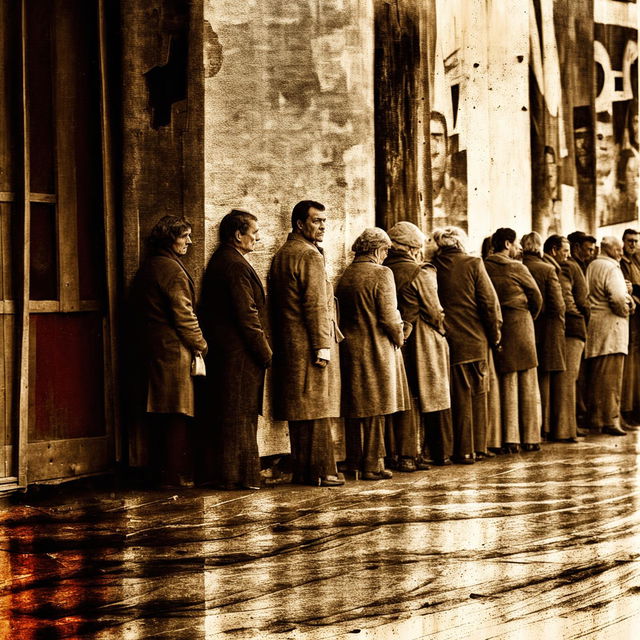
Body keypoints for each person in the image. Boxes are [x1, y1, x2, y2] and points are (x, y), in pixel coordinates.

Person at [269, 200, 345, 487]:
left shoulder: (283, 253)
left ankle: (305, 470)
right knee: (317, 408)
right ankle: (321, 471)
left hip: (290, 342)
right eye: (316, 221)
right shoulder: (309, 255)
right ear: (300, 224)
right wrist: (322, 345)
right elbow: (315, 305)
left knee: (303, 409)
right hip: (310, 342)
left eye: (324, 221)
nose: (322, 226)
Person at [198, 210, 272, 490]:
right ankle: (243, 477)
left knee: (234, 413)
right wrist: (264, 351)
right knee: (240, 414)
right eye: (253, 232)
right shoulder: (234, 265)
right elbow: (247, 315)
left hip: (230, 353)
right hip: (239, 355)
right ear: (238, 235)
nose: (257, 237)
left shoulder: (225, 260)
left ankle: (236, 475)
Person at [132, 215, 207, 486]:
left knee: (161, 412)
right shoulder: (171, 270)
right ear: (168, 239)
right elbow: (184, 315)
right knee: (178, 411)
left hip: (155, 348)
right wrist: (200, 343)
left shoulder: (151, 265)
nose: (189, 241)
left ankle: (161, 473)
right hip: (173, 350)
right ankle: (174, 475)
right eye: (183, 236)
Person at [336, 228, 410, 480]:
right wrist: (400, 337)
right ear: (378, 249)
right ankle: (372, 464)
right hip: (376, 348)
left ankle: (355, 461)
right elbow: (389, 317)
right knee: (377, 407)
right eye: (387, 250)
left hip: (351, 348)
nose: (387, 255)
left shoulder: (347, 274)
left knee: (357, 407)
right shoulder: (382, 273)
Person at [384, 222, 453, 468]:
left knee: (403, 395)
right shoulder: (421, 271)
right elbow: (434, 310)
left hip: (394, 339)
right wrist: (442, 330)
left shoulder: (384, 267)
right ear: (413, 248)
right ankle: (434, 452)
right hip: (422, 338)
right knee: (432, 394)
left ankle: (402, 455)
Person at [432, 226, 502, 464]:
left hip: (447, 339)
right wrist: (495, 334)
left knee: (456, 396)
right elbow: (489, 303)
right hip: (474, 338)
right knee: (478, 395)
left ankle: (459, 450)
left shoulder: (433, 265)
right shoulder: (473, 263)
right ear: (461, 243)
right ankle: (475, 448)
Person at [485, 228, 543, 452]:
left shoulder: (485, 265)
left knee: (506, 382)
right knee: (528, 380)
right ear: (507, 244)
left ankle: (509, 439)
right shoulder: (517, 267)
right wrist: (528, 315)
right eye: (515, 243)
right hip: (521, 324)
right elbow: (536, 297)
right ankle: (530, 437)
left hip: (499, 325)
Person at [585, 236, 635, 436]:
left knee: (598, 377)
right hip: (612, 329)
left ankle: (597, 418)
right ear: (611, 250)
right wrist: (629, 306)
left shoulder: (593, 266)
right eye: (619, 249)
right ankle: (610, 419)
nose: (621, 252)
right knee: (612, 378)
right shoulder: (611, 268)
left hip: (596, 328)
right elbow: (617, 298)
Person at [521, 232, 566, 441]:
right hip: (548, 330)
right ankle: (545, 428)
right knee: (546, 380)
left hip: (527, 330)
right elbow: (558, 305)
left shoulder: (518, 266)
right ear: (539, 247)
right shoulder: (547, 269)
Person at [620, 229, 640, 426]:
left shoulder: (637, 260)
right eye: (629, 241)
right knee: (630, 363)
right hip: (631, 318)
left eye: (635, 241)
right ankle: (628, 408)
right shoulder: (622, 262)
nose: (633, 245)